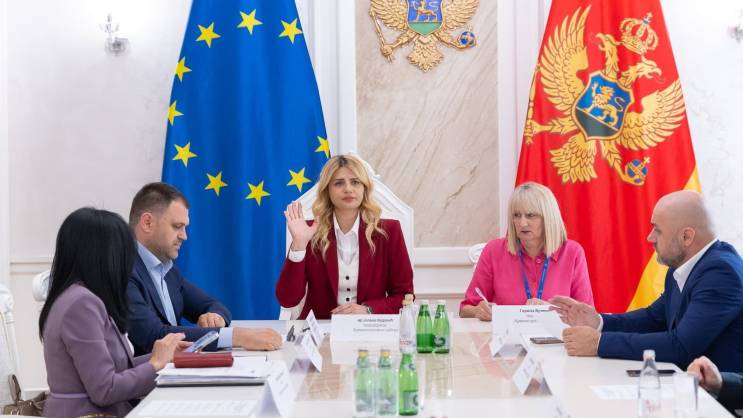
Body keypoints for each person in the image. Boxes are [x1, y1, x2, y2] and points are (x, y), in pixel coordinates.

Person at [552, 191, 743, 372]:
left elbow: (682, 346)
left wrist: (600, 343)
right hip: (686, 383)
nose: (650, 237)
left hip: (715, 394)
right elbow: (654, 318)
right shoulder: (683, 265)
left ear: (686, 236)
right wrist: (599, 321)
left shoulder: (721, 273)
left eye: (657, 230)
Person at [40, 208, 189, 418]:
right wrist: (155, 364)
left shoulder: (80, 297)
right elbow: (105, 389)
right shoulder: (81, 304)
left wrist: (164, 356)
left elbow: (114, 369)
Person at [127, 182, 282, 355]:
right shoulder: (122, 270)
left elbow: (212, 305)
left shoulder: (166, 270)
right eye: (177, 226)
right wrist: (237, 336)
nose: (184, 236)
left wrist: (214, 317)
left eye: (185, 228)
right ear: (147, 223)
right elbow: (154, 336)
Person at [276, 154, 414, 319]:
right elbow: (288, 300)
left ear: (364, 189)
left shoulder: (389, 231)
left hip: (370, 327)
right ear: (327, 190)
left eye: (355, 182)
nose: (348, 189)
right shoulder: (310, 231)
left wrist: (368, 310)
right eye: (339, 183)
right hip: (319, 328)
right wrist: (299, 245)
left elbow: (404, 297)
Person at [459, 182, 594, 321]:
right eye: (517, 215)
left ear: (548, 218)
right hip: (507, 334)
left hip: (556, 335)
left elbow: (587, 316)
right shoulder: (493, 250)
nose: (522, 223)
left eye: (530, 215)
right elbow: (465, 309)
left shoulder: (572, 252)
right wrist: (478, 310)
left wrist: (550, 311)